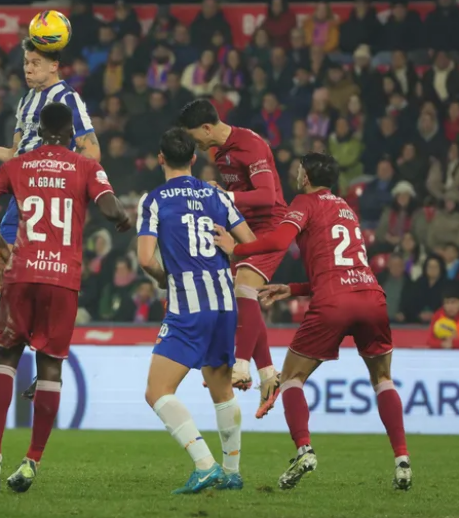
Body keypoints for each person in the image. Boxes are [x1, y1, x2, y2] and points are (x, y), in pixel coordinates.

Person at [213, 152, 411, 491]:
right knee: (382, 379)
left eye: (298, 169)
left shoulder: (304, 201)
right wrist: (292, 289)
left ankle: (304, 450)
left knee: (290, 377)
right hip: (371, 295)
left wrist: (237, 248)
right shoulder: (347, 209)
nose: (295, 173)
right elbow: (341, 263)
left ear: (306, 176)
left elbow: (277, 241)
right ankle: (402, 461)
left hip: (334, 301)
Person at [0, 102, 130, 493]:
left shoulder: (19, 164)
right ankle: (30, 462)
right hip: (62, 279)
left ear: (39, 130)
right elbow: (110, 208)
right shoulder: (86, 166)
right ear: (72, 132)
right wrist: (123, 218)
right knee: (50, 366)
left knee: (7, 356)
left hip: (21, 274)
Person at [0, 38, 101, 385]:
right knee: (2, 266)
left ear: (54, 66)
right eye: (25, 63)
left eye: (34, 63)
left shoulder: (68, 99)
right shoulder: (26, 101)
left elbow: (92, 151)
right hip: (23, 194)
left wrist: (58, 171)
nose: (27, 69)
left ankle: (46, 358)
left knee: (47, 276)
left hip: (51, 197)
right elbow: (16, 155)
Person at [136, 128, 254, 494]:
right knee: (222, 390)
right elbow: (251, 243)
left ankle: (205, 464)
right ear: (193, 158)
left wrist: (162, 278)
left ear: (160, 158)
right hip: (224, 303)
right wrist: (230, 247)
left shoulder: (154, 200)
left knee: (157, 391)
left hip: (188, 306)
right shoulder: (216, 194)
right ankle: (232, 471)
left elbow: (145, 258)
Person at [177, 99, 284, 417]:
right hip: (245, 227)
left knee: (243, 288)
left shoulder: (250, 144)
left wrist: (225, 195)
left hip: (270, 227)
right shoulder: (219, 152)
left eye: (196, 136)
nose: (195, 143)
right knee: (241, 295)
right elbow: (241, 192)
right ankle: (268, 375)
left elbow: (267, 196)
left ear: (207, 128)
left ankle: (240, 366)